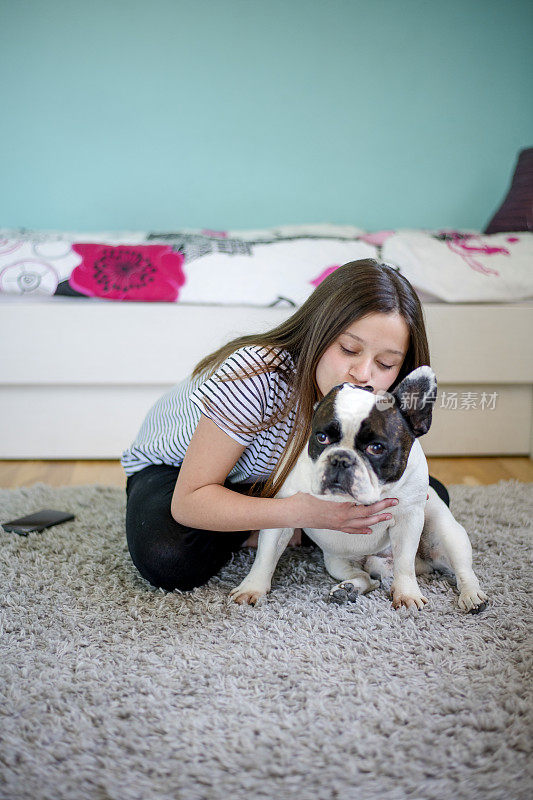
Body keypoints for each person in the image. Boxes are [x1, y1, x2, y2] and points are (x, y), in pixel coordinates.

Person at [122, 258, 450, 592]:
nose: (364, 374)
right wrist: (294, 513)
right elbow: (188, 501)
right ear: (318, 331)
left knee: (427, 497)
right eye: (349, 349)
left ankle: (290, 525)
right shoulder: (256, 375)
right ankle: (280, 526)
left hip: (278, 479)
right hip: (181, 476)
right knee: (169, 555)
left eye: (386, 363)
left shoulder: (380, 404)